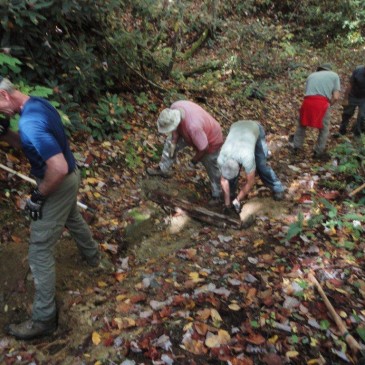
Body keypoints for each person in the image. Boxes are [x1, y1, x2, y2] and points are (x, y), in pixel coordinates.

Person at [0, 76, 103, 340]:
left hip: (58, 180)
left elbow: (56, 167)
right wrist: (6, 134)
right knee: (72, 218)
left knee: (39, 249)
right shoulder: (37, 105)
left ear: (4, 96)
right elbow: (31, 145)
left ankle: (44, 319)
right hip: (69, 178)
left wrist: (38, 195)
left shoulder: (30, 121)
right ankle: (95, 259)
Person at [147, 100, 223, 201]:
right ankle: (163, 169)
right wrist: (174, 141)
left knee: (210, 165)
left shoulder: (193, 127)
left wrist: (193, 162)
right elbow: (175, 127)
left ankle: (217, 194)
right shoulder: (174, 107)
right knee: (169, 144)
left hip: (211, 139)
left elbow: (204, 148)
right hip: (188, 132)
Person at [217, 120, 284, 214]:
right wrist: (227, 204)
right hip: (236, 127)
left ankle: (278, 188)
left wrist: (238, 200)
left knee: (261, 166)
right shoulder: (221, 158)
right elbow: (224, 180)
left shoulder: (247, 157)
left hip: (255, 128)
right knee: (229, 177)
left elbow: (250, 182)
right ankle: (231, 193)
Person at [292, 63, 341, 160]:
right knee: (324, 129)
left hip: (307, 102)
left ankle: (296, 147)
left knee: (301, 126)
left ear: (319, 69)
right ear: (329, 70)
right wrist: (329, 104)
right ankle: (318, 152)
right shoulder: (334, 75)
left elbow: (308, 91)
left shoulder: (311, 76)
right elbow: (336, 97)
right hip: (322, 103)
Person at [337, 65, 365, 136]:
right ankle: (342, 130)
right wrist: (345, 98)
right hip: (353, 95)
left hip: (363, 99)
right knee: (347, 113)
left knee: (362, 116)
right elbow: (350, 85)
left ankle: (357, 133)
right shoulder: (358, 71)